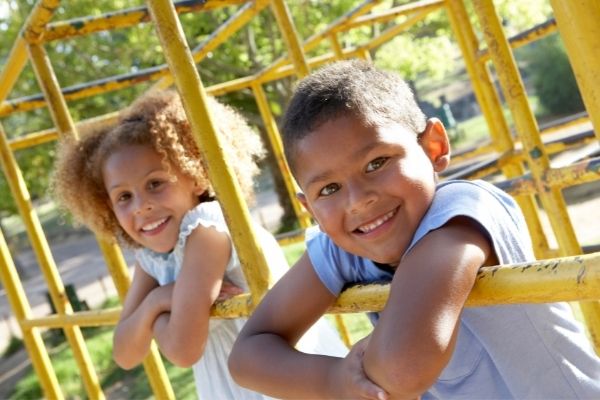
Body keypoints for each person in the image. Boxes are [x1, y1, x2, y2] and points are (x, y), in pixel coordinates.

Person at [229, 60, 600, 399]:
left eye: (376, 163)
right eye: (329, 189)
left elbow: (401, 369)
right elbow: (247, 355)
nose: (358, 201)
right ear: (309, 209)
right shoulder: (344, 245)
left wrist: (346, 378)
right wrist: (335, 379)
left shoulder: (461, 214)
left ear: (433, 146)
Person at [52, 90, 348, 399]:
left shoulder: (208, 228)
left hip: (279, 376)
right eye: (124, 197)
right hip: (228, 385)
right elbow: (125, 354)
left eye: (155, 184)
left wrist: (152, 313)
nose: (141, 206)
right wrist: (159, 300)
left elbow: (183, 350)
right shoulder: (152, 257)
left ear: (195, 176)